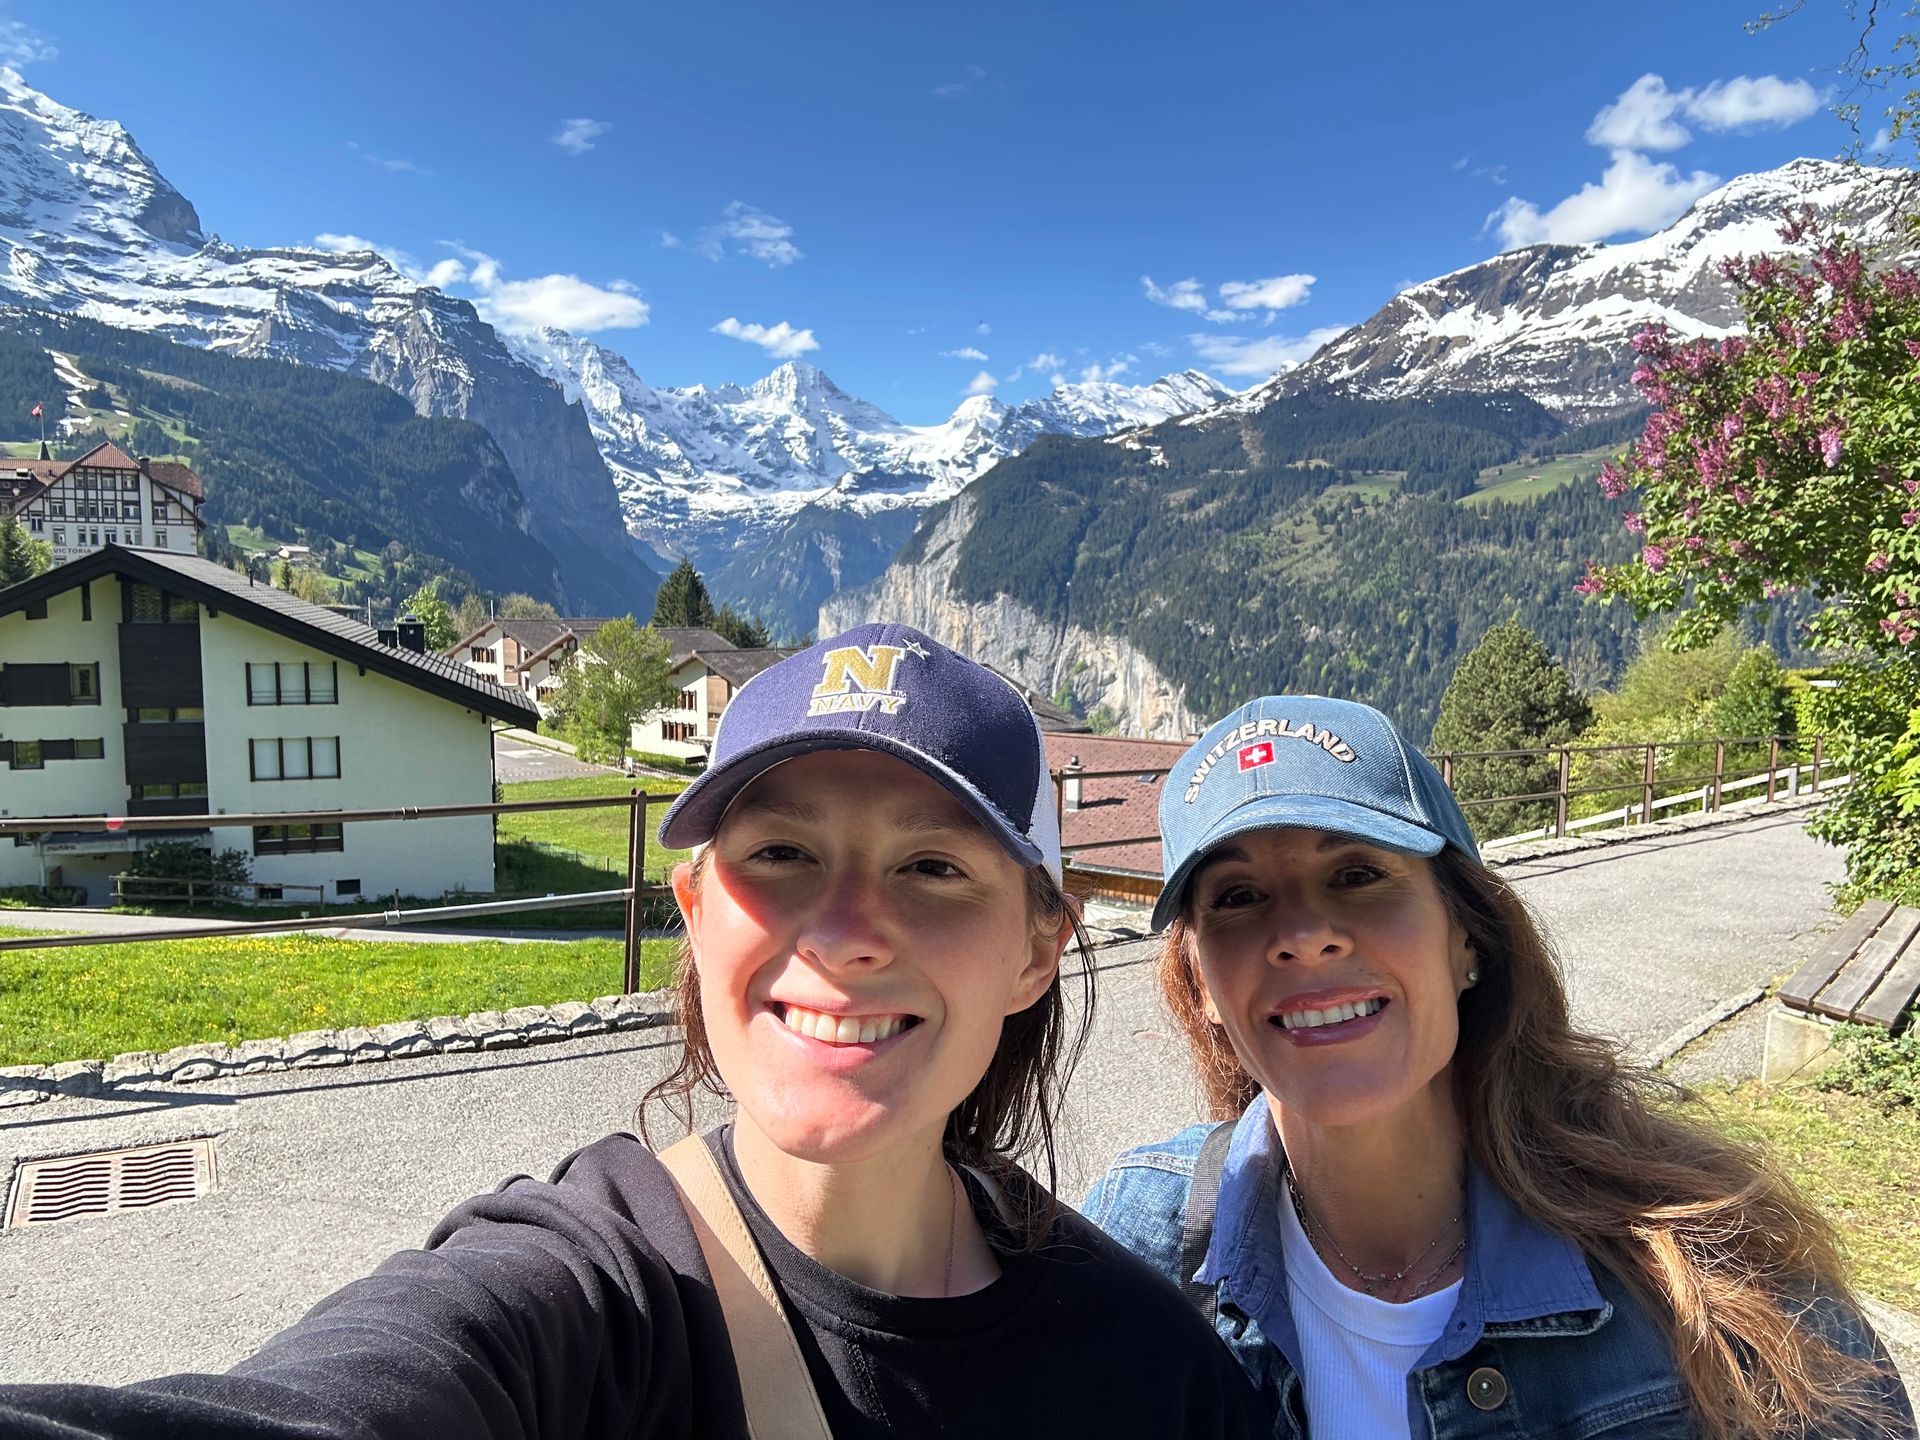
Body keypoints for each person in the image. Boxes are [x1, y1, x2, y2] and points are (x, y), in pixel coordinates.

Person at [0, 624, 1267, 1440]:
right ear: (697, 909)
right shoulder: (580, 1304)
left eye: (933, 868)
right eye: (781, 855)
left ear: (1040, 946)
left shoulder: (1151, 1372)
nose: (843, 931)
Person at [1083, 694, 1916, 1440]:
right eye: (1237, 897)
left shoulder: (1715, 1280)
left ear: (1467, 940)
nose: (1303, 933)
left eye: (1359, 874)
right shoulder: (1133, 1244)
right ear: (1203, 988)